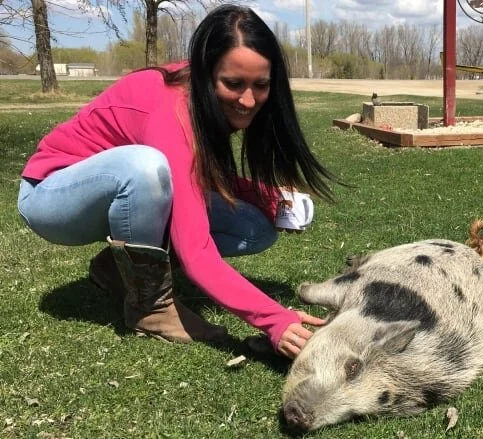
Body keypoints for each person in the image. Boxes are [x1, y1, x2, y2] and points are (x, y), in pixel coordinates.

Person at [16, 5, 334, 359]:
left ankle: (115, 267)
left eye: (260, 85)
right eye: (233, 84)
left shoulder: (207, 103)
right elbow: (196, 251)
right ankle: (151, 308)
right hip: (51, 197)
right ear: (205, 72)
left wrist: (266, 197)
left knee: (255, 228)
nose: (248, 100)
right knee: (146, 167)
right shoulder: (171, 110)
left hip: (123, 195)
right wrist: (275, 319)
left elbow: (197, 172)